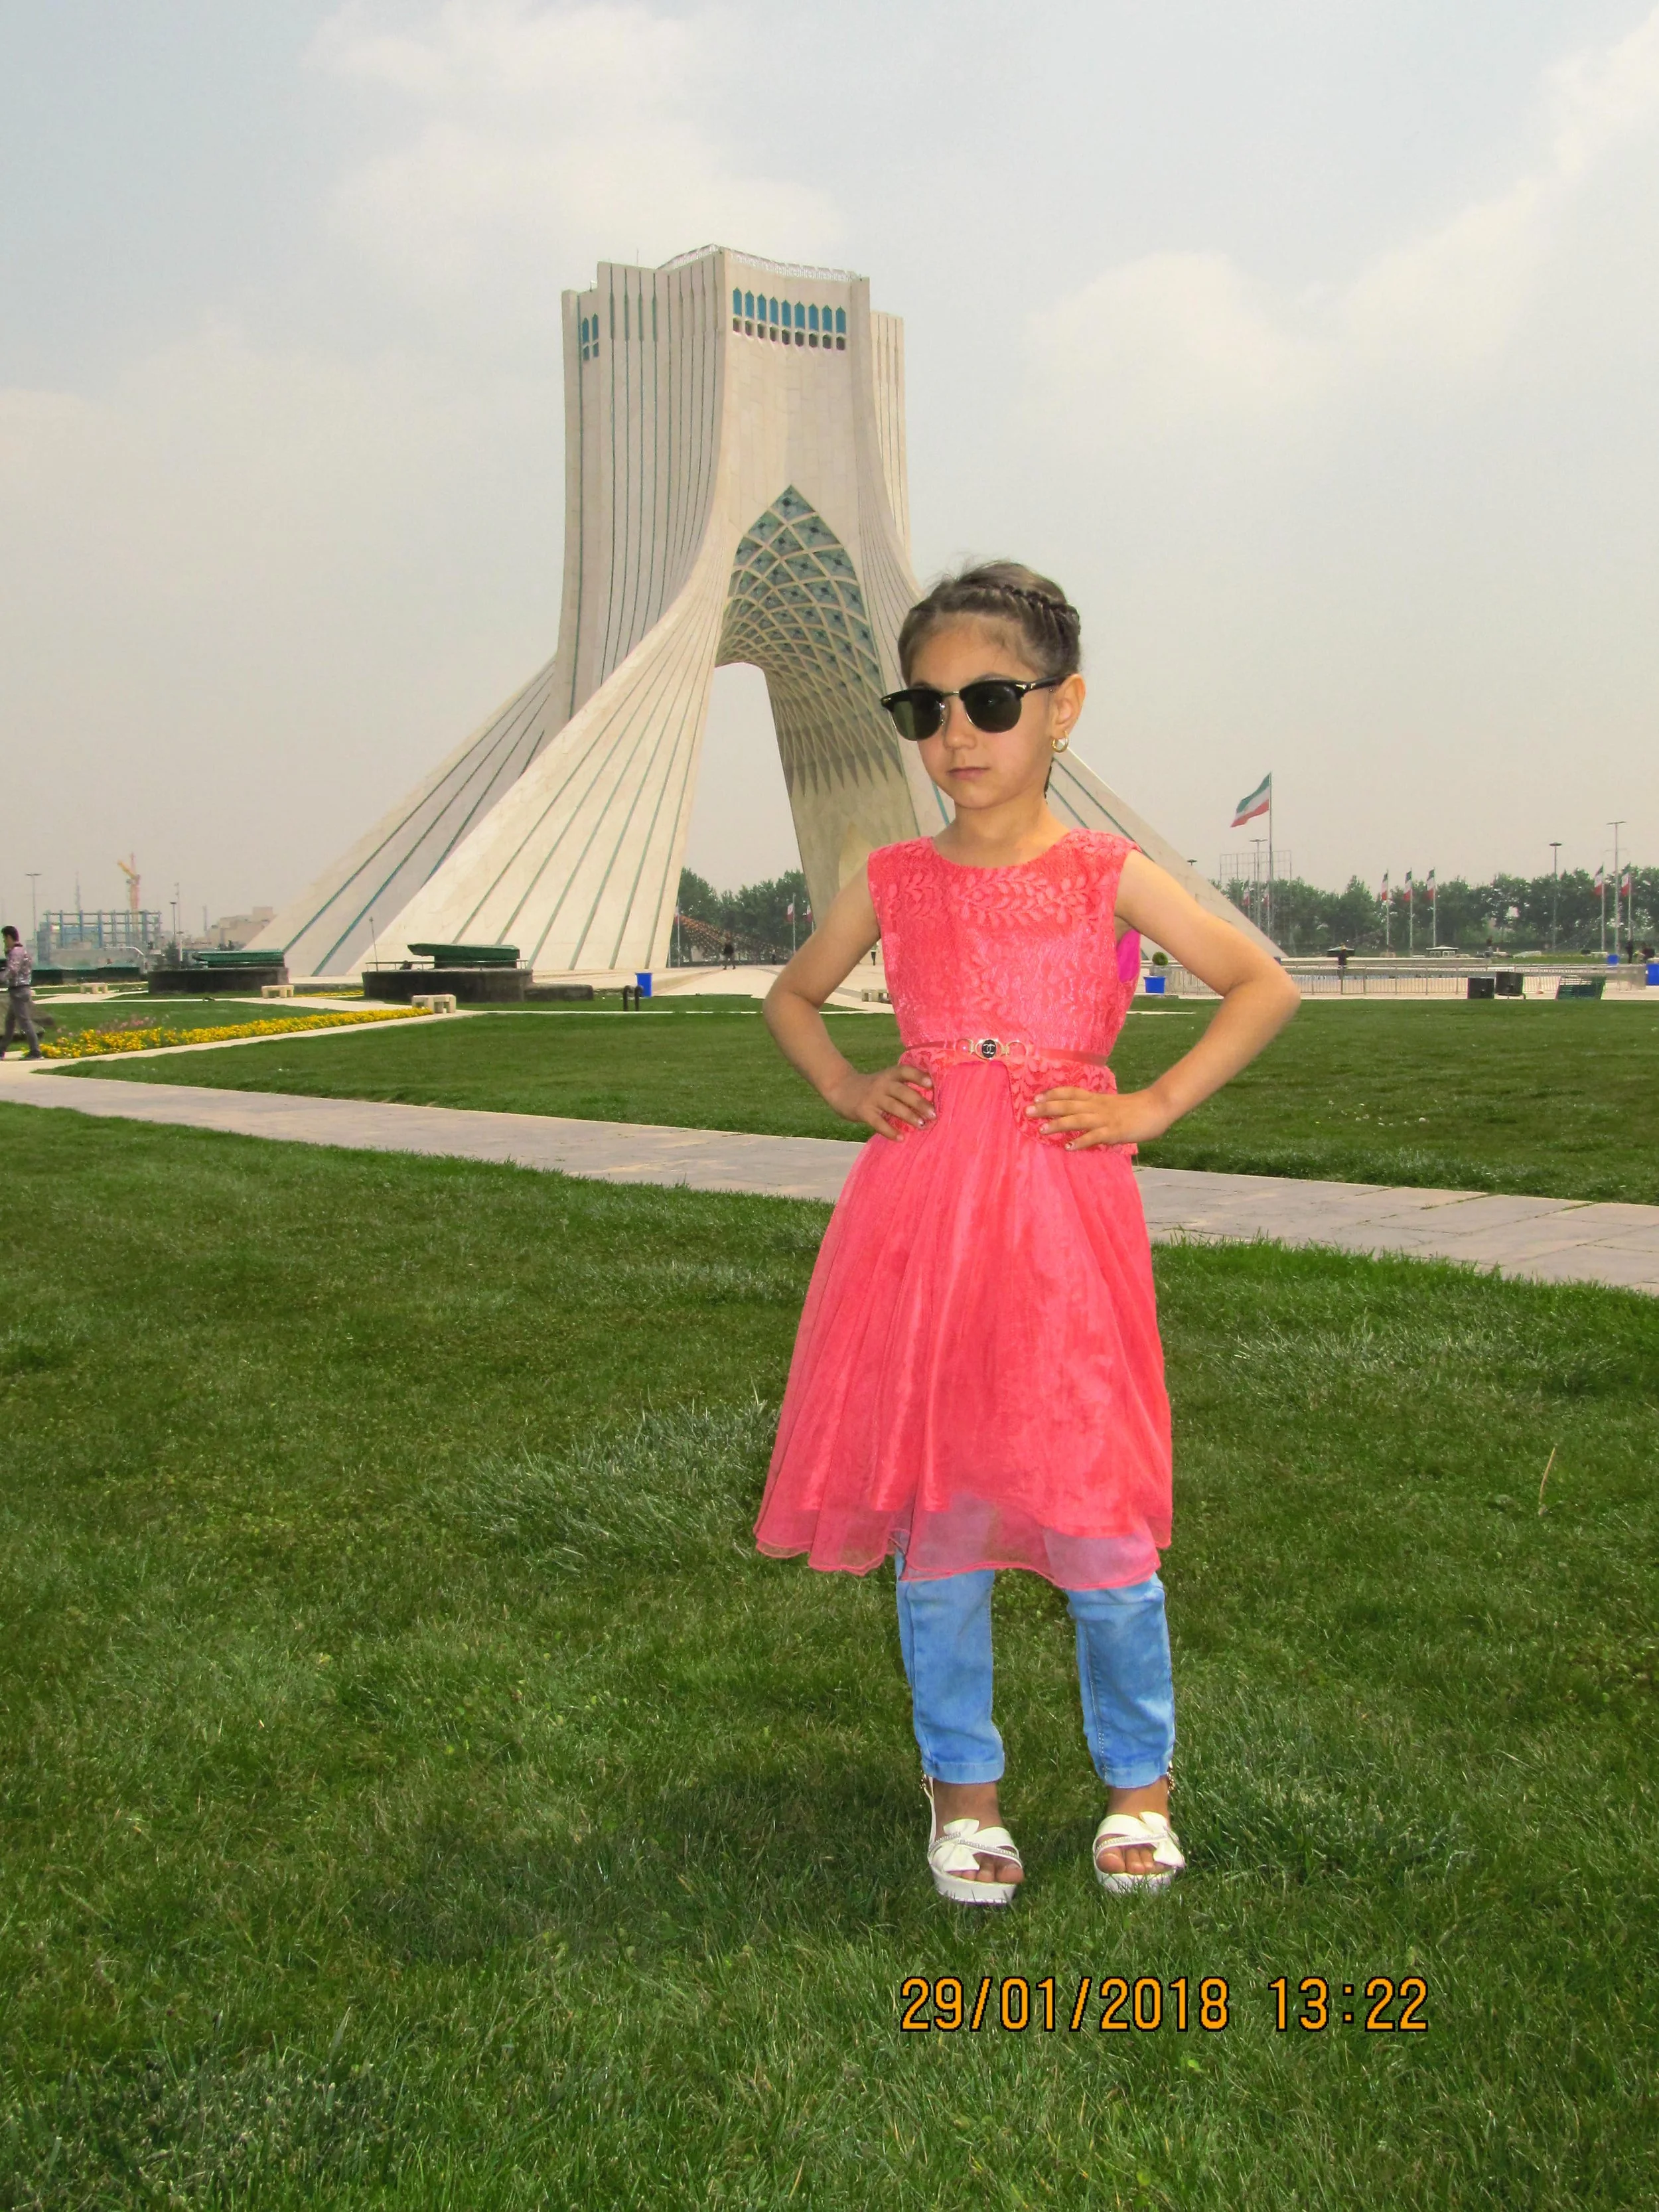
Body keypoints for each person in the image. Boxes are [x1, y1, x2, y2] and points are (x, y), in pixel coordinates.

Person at [756, 563, 1299, 1903]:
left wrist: (1152, 1101)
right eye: (923, 706)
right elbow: (792, 995)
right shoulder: (889, 876)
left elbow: (1259, 981)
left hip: (1061, 1216)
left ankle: (1140, 1787)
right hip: (922, 1220)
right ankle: (964, 1797)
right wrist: (846, 1085)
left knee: (1096, 1512)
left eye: (988, 701)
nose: (954, 735)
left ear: (1061, 708)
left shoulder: (1102, 871)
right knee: (939, 1516)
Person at [0, 926, 43, 1059]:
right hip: (19, 990)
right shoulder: (19, 951)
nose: (4, 942)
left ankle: (35, 1052)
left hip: (19, 991)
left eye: (4, 939)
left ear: (9, 937)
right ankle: (1, 1051)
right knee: (9, 1023)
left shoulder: (16, 952)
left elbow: (12, 969)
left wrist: (1, 978)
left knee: (24, 1022)